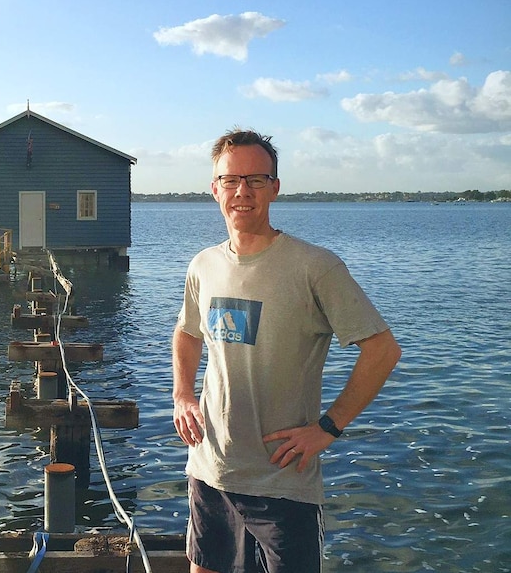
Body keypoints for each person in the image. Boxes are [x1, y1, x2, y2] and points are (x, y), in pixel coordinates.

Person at [172, 128, 401, 573]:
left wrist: (328, 428)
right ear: (214, 188)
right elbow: (188, 332)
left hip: (283, 483)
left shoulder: (315, 267)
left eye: (256, 180)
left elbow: (382, 351)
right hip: (210, 472)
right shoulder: (204, 264)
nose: (242, 191)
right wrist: (182, 394)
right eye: (231, 180)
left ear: (275, 188)